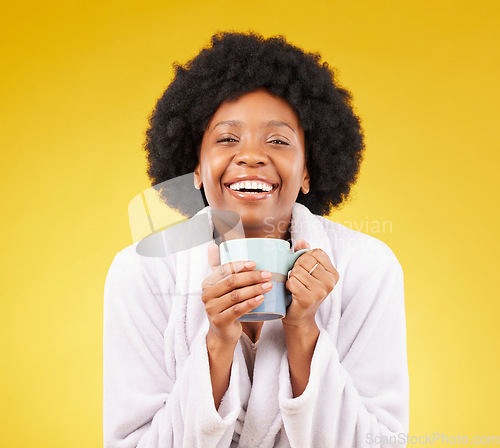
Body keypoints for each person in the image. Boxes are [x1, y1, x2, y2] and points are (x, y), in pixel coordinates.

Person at [103, 31, 409, 447]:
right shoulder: (143, 271)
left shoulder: (367, 267)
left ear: (307, 171)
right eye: (227, 139)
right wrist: (217, 345)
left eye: (278, 140)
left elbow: (381, 444)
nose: (251, 156)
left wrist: (303, 332)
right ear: (196, 168)